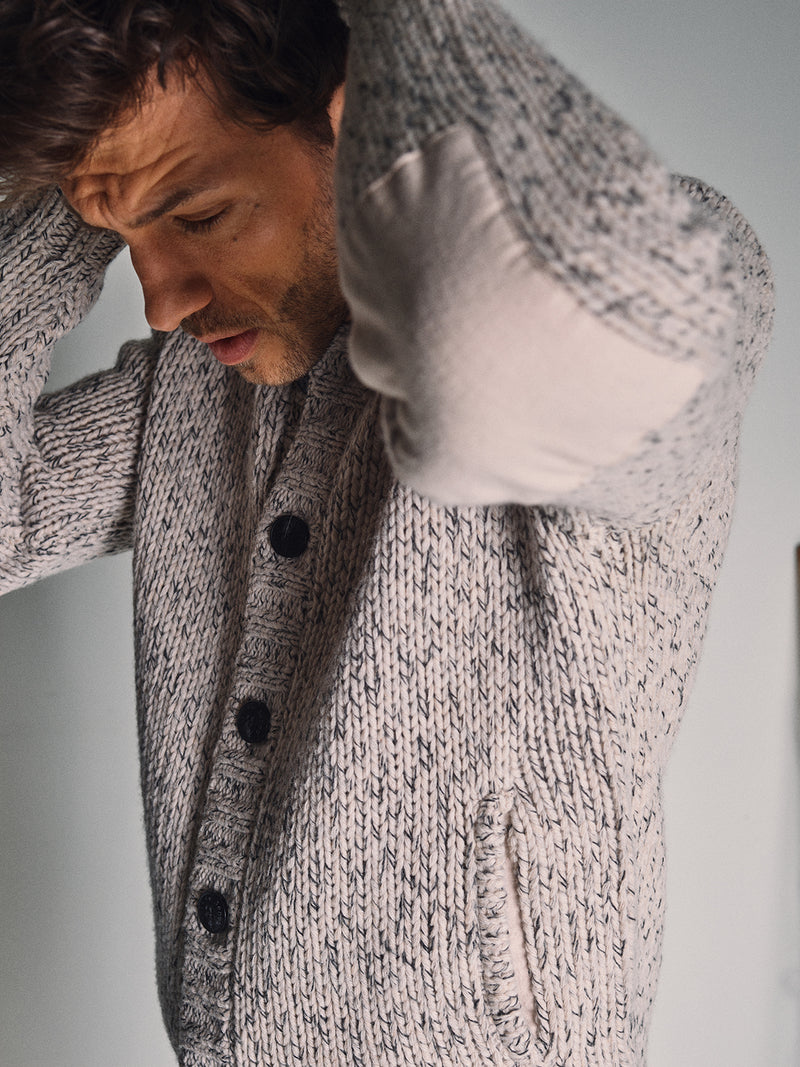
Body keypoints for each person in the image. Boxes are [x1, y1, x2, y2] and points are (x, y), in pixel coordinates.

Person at [0, 0, 774, 1064]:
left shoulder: (633, 301)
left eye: (200, 214)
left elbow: (502, 361)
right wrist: (72, 192)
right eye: (124, 239)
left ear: (353, 117)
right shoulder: (189, 392)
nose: (158, 300)